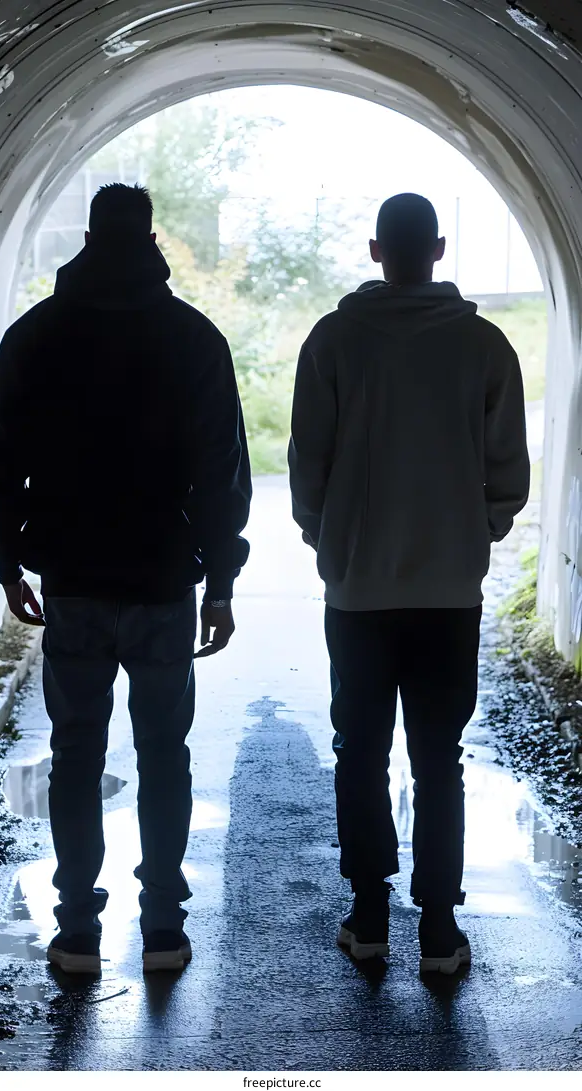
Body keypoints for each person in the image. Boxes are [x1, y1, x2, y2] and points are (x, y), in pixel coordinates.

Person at [0, 183, 251, 974]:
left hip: (72, 578)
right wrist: (223, 582)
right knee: (166, 753)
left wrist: (8, 558)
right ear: (153, 239)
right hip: (165, 581)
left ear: (90, 237)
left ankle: (77, 932)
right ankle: (163, 928)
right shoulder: (193, 337)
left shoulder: (35, 335)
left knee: (74, 753)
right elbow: (221, 474)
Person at [288, 193, 530, 974]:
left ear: (373, 250)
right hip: (449, 594)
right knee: (439, 757)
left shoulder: (333, 341)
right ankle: (438, 928)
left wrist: (330, 542)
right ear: (439, 248)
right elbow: (507, 472)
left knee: (358, 749)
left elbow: (307, 462)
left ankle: (367, 916)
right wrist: (469, 535)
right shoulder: (486, 346)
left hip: (358, 593)